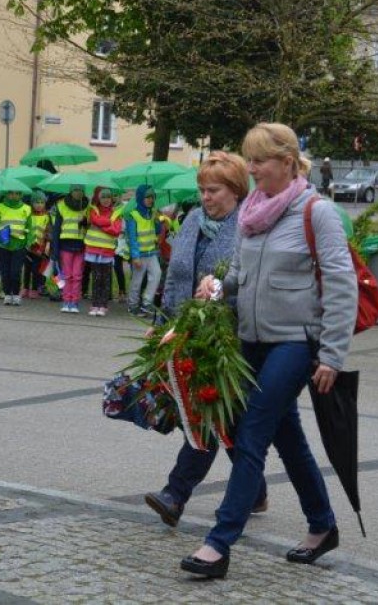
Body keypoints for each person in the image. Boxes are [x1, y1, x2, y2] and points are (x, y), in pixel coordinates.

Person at [184, 122, 357, 579]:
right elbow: (238, 273)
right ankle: (322, 525)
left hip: (296, 342)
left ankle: (219, 544)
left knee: (254, 431)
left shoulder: (316, 212)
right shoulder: (253, 213)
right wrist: (215, 285)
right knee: (286, 436)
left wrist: (332, 355)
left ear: (287, 161)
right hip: (251, 339)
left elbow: (341, 286)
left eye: (259, 160)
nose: (252, 168)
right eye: (250, 159)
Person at [143, 151, 268, 528]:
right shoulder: (193, 219)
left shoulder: (250, 227)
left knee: (208, 416)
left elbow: (251, 285)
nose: (205, 197)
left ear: (235, 190)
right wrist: (160, 321)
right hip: (185, 332)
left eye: (213, 190)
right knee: (219, 420)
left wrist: (219, 294)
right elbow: (176, 277)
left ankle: (175, 494)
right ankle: (255, 490)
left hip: (229, 338)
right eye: (201, 190)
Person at [49, 184, 89, 313]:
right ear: (71, 191)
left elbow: (92, 227)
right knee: (66, 275)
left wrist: (86, 223)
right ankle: (66, 300)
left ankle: (75, 302)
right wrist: (55, 250)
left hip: (81, 246)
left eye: (81, 190)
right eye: (76, 190)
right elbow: (56, 230)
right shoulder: (61, 206)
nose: (78, 193)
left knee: (77, 275)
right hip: (65, 245)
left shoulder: (87, 207)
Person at [84, 186, 122, 316]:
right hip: (93, 250)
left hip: (107, 251)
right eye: (103, 197)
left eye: (108, 197)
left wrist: (101, 225)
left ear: (112, 199)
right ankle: (95, 304)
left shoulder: (116, 212)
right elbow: (95, 220)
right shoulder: (93, 210)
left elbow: (116, 231)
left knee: (105, 279)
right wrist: (108, 223)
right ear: (98, 199)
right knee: (96, 278)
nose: (106, 200)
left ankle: (103, 305)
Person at [124, 185, 162, 316]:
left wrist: (157, 220)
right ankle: (133, 305)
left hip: (152, 253)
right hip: (139, 254)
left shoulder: (152, 213)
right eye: (147, 197)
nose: (150, 199)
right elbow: (132, 238)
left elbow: (157, 231)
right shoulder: (133, 215)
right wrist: (135, 256)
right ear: (140, 198)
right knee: (137, 280)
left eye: (152, 197)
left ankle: (146, 303)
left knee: (156, 274)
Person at [0, 188, 31, 306]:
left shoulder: (26, 209)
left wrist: (28, 242)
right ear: (7, 193)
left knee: (15, 272)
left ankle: (16, 293)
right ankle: (7, 293)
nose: (14, 195)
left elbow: (30, 227)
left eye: (17, 193)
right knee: (5, 272)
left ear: (21, 194)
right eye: (11, 193)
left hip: (19, 245)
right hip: (3, 245)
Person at [22, 190, 50, 299]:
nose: (39, 205)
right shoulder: (28, 215)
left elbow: (48, 232)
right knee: (27, 268)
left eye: (42, 202)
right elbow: (25, 229)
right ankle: (25, 288)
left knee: (36, 269)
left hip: (40, 248)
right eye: (37, 202)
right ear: (32, 203)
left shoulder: (47, 216)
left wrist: (47, 245)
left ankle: (34, 288)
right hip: (28, 247)